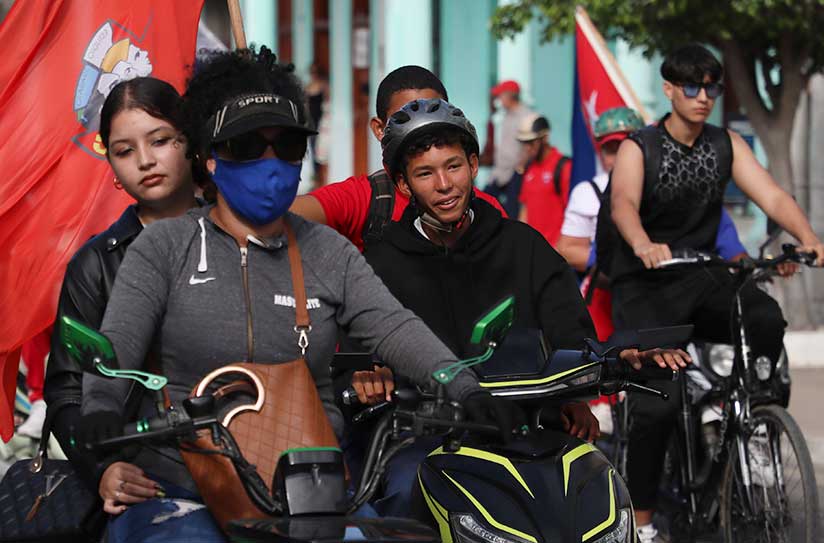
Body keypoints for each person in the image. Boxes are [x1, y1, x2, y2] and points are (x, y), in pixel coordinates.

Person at [78, 48, 517, 541]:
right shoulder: (164, 247)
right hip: (182, 493)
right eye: (247, 145)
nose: (270, 162)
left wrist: (465, 388)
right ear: (210, 156)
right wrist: (100, 409)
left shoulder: (328, 251)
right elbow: (114, 349)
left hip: (310, 493)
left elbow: (394, 326)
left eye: (286, 145)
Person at [353, 97, 690, 517]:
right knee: (405, 497)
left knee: (597, 497)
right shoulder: (380, 262)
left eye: (453, 166)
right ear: (403, 185)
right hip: (425, 440)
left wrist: (584, 386)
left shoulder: (523, 246)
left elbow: (572, 331)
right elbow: (359, 346)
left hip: (529, 431)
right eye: (425, 173)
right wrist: (368, 374)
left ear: (474, 165)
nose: (444, 184)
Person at [607, 44, 824, 542]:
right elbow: (623, 204)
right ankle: (642, 524)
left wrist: (806, 237)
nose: (703, 97)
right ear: (669, 89)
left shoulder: (726, 144)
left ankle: (755, 422)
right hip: (648, 284)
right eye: (691, 87)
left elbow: (770, 195)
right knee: (657, 405)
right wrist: (642, 244)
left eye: (712, 88)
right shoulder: (639, 148)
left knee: (764, 315)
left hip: (702, 275)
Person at [44, 77, 201, 505]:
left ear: (191, 142)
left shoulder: (242, 236)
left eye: (161, 140)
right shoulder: (95, 265)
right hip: (150, 481)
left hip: (258, 464)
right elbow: (66, 392)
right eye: (125, 151)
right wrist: (102, 469)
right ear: (112, 168)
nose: (146, 161)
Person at [290, 65, 504, 252]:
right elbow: (281, 219)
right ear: (380, 129)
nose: (419, 128)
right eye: (404, 119)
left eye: (433, 115)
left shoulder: (486, 211)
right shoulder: (363, 200)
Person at [516, 113, 572, 247]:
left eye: (531, 142)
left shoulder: (563, 166)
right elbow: (525, 209)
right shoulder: (528, 168)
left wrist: (562, 248)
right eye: (524, 143)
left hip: (556, 252)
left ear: (545, 138)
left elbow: (571, 213)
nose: (527, 148)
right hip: (533, 251)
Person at [483, 79, 533, 218]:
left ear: (510, 95)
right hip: (500, 172)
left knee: (512, 213)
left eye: (501, 96)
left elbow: (529, 147)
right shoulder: (506, 116)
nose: (499, 100)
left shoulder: (526, 116)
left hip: (516, 173)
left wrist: (520, 168)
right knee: (483, 203)